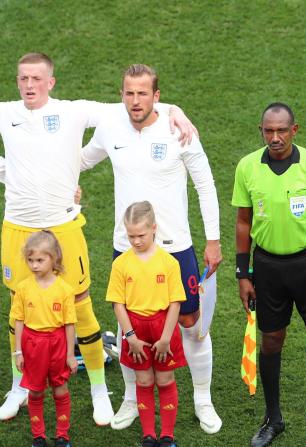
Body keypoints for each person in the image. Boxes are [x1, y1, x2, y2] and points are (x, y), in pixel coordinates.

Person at [0, 52, 197, 425]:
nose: (29, 86)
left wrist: (177, 110)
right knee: (18, 309)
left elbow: (133, 102)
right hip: (17, 226)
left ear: (51, 82)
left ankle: (97, 390)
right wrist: (8, 173)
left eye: (36, 79)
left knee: (80, 305)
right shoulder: (5, 112)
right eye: (23, 79)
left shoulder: (75, 111)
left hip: (63, 225)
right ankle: (19, 387)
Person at [78, 64, 222, 435]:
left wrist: (213, 240)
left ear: (157, 96)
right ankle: (130, 397)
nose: (135, 100)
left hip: (176, 248)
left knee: (192, 326)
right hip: (126, 248)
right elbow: (79, 161)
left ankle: (203, 400)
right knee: (130, 324)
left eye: (143, 93)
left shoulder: (178, 129)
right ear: (121, 94)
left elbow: (205, 184)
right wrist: (66, 188)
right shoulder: (110, 127)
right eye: (129, 93)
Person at [233, 102, 306, 447]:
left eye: (282, 130)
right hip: (267, 267)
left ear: (294, 130)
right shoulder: (247, 167)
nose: (275, 137)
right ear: (261, 130)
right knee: (271, 341)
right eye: (269, 130)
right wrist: (243, 273)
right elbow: (243, 221)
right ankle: (273, 418)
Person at [106, 202, 186, 447]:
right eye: (131, 236)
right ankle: (149, 436)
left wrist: (165, 338)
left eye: (141, 235)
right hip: (135, 331)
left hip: (163, 328)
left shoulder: (169, 262)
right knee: (143, 382)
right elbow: (118, 304)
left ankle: (168, 437)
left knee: (164, 381)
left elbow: (175, 303)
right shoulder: (121, 264)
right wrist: (130, 337)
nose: (136, 240)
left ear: (154, 228)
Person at [12, 231, 78, 447]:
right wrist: (19, 351)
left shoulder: (65, 290)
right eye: (30, 260)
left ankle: (62, 437)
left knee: (60, 389)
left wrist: (70, 355)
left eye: (40, 260)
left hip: (57, 343)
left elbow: (69, 324)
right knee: (36, 391)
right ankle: (38, 438)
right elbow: (18, 320)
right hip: (32, 344)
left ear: (54, 259)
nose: (34, 265)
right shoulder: (23, 288)